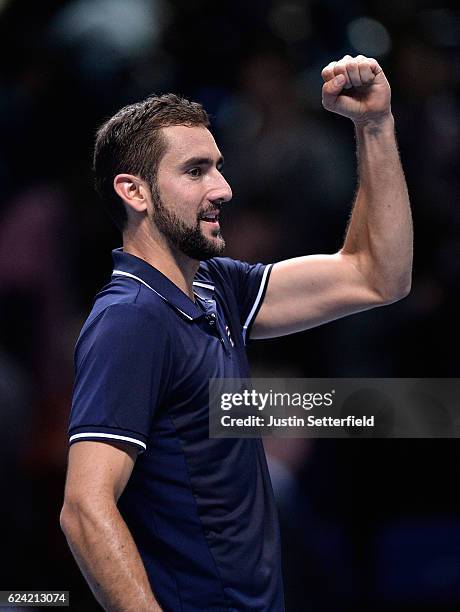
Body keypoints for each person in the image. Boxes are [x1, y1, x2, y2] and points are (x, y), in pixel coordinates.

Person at [60, 55, 412, 611]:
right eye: (196, 171)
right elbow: (85, 508)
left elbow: (378, 276)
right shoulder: (130, 319)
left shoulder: (215, 287)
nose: (224, 188)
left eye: (218, 166)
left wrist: (374, 125)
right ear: (135, 192)